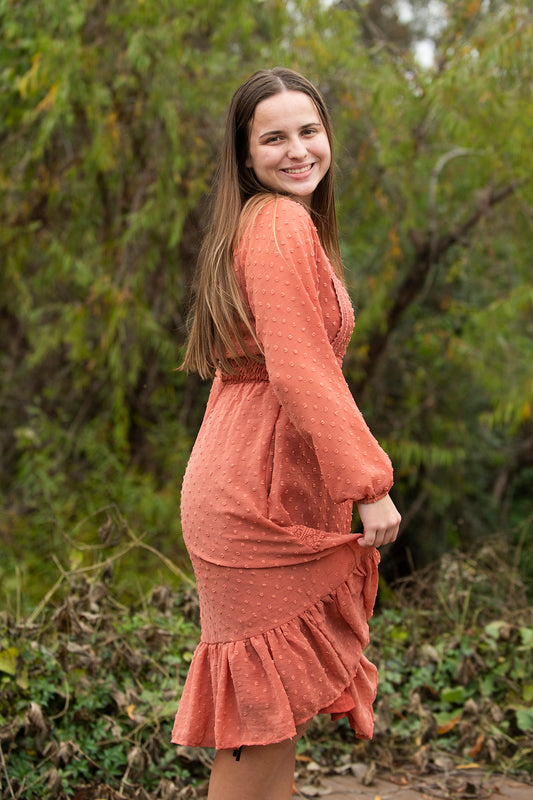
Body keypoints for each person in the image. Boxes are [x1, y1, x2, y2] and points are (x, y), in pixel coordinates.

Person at [171, 67, 401, 800]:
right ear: (245, 156)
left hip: (242, 483)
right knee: (256, 725)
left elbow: (248, 374)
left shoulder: (262, 224)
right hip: (251, 500)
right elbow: (300, 371)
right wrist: (368, 486)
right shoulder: (277, 223)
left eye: (308, 131)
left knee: (269, 723)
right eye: (273, 137)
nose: (297, 149)